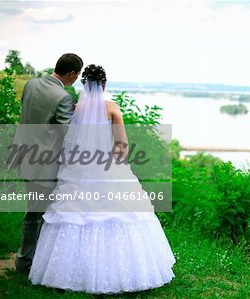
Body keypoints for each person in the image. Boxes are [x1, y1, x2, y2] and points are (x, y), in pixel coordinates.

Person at [28, 64, 176, 294]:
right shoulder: (112, 109)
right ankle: (121, 273)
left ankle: (66, 272)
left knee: (75, 216)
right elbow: (122, 147)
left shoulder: (75, 108)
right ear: (104, 85)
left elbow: (69, 141)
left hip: (79, 168)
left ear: (84, 85)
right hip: (108, 168)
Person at [14, 53, 83, 273]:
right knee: (38, 213)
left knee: (35, 210)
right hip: (43, 162)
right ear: (72, 73)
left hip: (23, 153)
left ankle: (33, 259)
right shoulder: (62, 96)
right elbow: (67, 133)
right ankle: (27, 262)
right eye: (77, 75)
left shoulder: (31, 84)